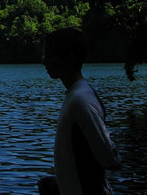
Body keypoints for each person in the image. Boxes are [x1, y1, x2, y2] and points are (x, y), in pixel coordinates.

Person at [40, 27, 121, 195]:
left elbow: (110, 159)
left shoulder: (81, 100)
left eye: (49, 56)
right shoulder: (75, 96)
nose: (44, 62)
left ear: (69, 59)